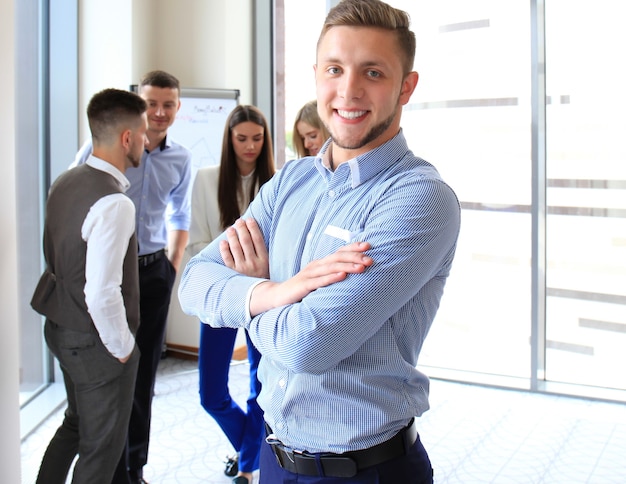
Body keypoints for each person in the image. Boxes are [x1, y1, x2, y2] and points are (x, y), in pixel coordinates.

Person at [179, 0, 461, 482]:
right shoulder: (291, 181)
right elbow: (193, 281)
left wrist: (246, 299)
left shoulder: (420, 199)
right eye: (335, 69)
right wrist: (274, 291)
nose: (348, 90)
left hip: (367, 468)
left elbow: (309, 343)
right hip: (276, 456)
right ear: (316, 76)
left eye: (373, 72)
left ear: (406, 87)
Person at [73, 70, 192, 484]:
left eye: (169, 104)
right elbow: (76, 198)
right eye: (152, 103)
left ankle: (134, 468)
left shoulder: (181, 158)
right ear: (139, 105)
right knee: (111, 373)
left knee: (143, 376)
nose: (159, 113)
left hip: (153, 272)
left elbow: (181, 214)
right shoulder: (104, 147)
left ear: (178, 108)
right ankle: (109, 468)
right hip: (110, 278)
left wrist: (172, 263)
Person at [30, 88, 148, 484]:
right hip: (95, 343)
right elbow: (101, 292)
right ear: (127, 138)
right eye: (144, 134)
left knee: (76, 426)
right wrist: (123, 349)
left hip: (59, 327)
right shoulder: (115, 203)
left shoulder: (66, 179)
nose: (146, 143)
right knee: (100, 453)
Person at [188, 105, 275, 484]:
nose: (250, 146)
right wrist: (238, 267)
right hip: (222, 298)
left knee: (262, 389)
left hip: (262, 297)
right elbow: (198, 246)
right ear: (229, 139)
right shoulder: (206, 179)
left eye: (257, 138)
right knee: (211, 394)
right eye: (242, 138)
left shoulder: (275, 182)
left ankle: (246, 467)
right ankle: (249, 449)